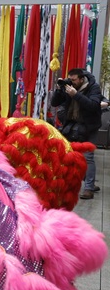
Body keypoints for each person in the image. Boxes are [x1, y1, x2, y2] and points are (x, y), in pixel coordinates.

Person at [51, 67, 103, 200]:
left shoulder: (93, 88)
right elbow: (54, 103)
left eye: (74, 80)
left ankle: (88, 188)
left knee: (88, 156)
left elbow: (93, 105)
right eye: (70, 79)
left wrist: (76, 95)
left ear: (81, 79)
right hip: (73, 126)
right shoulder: (69, 87)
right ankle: (86, 180)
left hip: (89, 126)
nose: (72, 82)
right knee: (71, 156)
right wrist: (59, 89)